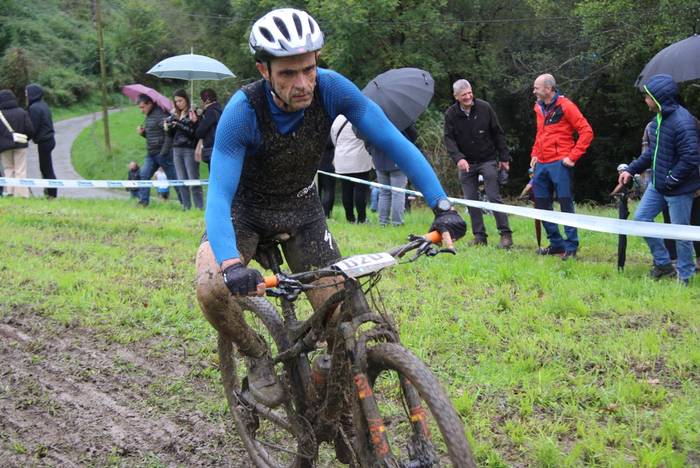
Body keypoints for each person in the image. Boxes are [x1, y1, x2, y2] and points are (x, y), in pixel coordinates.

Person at [195, 8, 465, 416]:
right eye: (287, 73)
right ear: (263, 70)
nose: (302, 83)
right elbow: (218, 194)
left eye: (308, 68)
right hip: (243, 211)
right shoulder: (242, 111)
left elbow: (392, 140)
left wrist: (441, 204)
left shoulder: (333, 88)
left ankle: (331, 392)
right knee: (211, 288)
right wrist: (232, 263)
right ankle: (257, 356)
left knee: (344, 317)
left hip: (303, 210)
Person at [619, 74, 700, 285]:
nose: (645, 100)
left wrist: (672, 179)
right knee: (641, 220)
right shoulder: (657, 122)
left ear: (658, 98)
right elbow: (651, 154)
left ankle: (686, 275)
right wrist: (631, 169)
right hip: (659, 185)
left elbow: (691, 157)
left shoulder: (684, 122)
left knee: (680, 234)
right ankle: (664, 264)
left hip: (678, 188)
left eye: (647, 97)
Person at [530, 73, 594, 259]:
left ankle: (571, 246)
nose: (534, 91)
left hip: (560, 163)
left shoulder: (566, 106)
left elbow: (587, 131)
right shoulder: (538, 107)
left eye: (536, 88)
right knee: (541, 203)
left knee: (565, 203)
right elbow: (540, 134)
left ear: (548, 89)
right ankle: (556, 244)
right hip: (541, 163)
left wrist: (573, 156)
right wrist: (534, 153)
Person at [444, 79, 513, 248]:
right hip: (466, 162)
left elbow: (498, 133)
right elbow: (449, 139)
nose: (468, 97)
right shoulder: (450, 114)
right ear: (456, 97)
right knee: (471, 199)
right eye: (464, 95)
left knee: (493, 196)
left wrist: (504, 158)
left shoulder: (485, 107)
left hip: (487, 159)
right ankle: (479, 236)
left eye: (470, 93)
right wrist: (459, 158)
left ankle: (506, 235)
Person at [367, 125, 417, 227]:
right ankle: (397, 223)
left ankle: (383, 222)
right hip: (398, 159)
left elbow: (366, 140)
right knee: (397, 193)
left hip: (379, 159)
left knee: (384, 193)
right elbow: (414, 135)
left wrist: (372, 152)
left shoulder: (373, 117)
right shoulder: (401, 119)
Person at [135, 94, 178, 207]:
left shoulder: (160, 115)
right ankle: (143, 202)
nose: (141, 110)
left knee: (174, 178)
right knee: (144, 175)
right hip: (151, 154)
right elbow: (152, 136)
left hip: (163, 154)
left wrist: (164, 152)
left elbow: (169, 135)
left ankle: (185, 203)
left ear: (150, 103)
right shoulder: (148, 116)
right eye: (140, 108)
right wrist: (143, 133)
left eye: (142, 107)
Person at [331, 114, 373, 223]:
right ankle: (362, 218)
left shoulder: (337, 119)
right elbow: (367, 137)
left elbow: (333, 138)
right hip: (359, 159)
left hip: (342, 158)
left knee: (346, 190)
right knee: (360, 190)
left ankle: (350, 218)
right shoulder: (360, 117)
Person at [166, 89, 203, 210]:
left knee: (193, 180)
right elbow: (172, 135)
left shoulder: (194, 113)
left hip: (189, 149)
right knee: (181, 180)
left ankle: (199, 207)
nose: (178, 103)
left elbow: (194, 133)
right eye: (176, 101)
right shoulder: (175, 114)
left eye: (180, 100)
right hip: (176, 149)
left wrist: (178, 123)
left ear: (186, 99)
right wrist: (168, 127)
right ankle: (186, 207)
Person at [0, 89, 35, 198]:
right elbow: (30, 130)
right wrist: (25, 139)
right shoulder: (21, 112)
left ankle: (10, 192)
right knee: (20, 169)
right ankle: (21, 194)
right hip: (20, 145)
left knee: (8, 169)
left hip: (4, 146)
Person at [26, 84, 57, 199]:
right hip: (49, 139)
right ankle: (49, 191)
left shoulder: (34, 108)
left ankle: (52, 194)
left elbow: (32, 127)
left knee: (46, 169)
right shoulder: (43, 105)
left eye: (27, 93)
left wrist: (25, 139)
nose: (26, 96)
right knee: (45, 168)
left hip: (44, 141)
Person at [192, 88, 222, 168]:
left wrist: (195, 122)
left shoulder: (210, 111)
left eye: (201, 99)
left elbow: (200, 132)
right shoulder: (219, 110)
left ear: (207, 100)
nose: (201, 102)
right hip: (219, 147)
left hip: (211, 148)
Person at [317, 136, 336, 218]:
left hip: (315, 165)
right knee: (328, 190)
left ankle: (316, 214)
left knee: (316, 191)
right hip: (328, 165)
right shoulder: (329, 130)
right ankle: (326, 214)